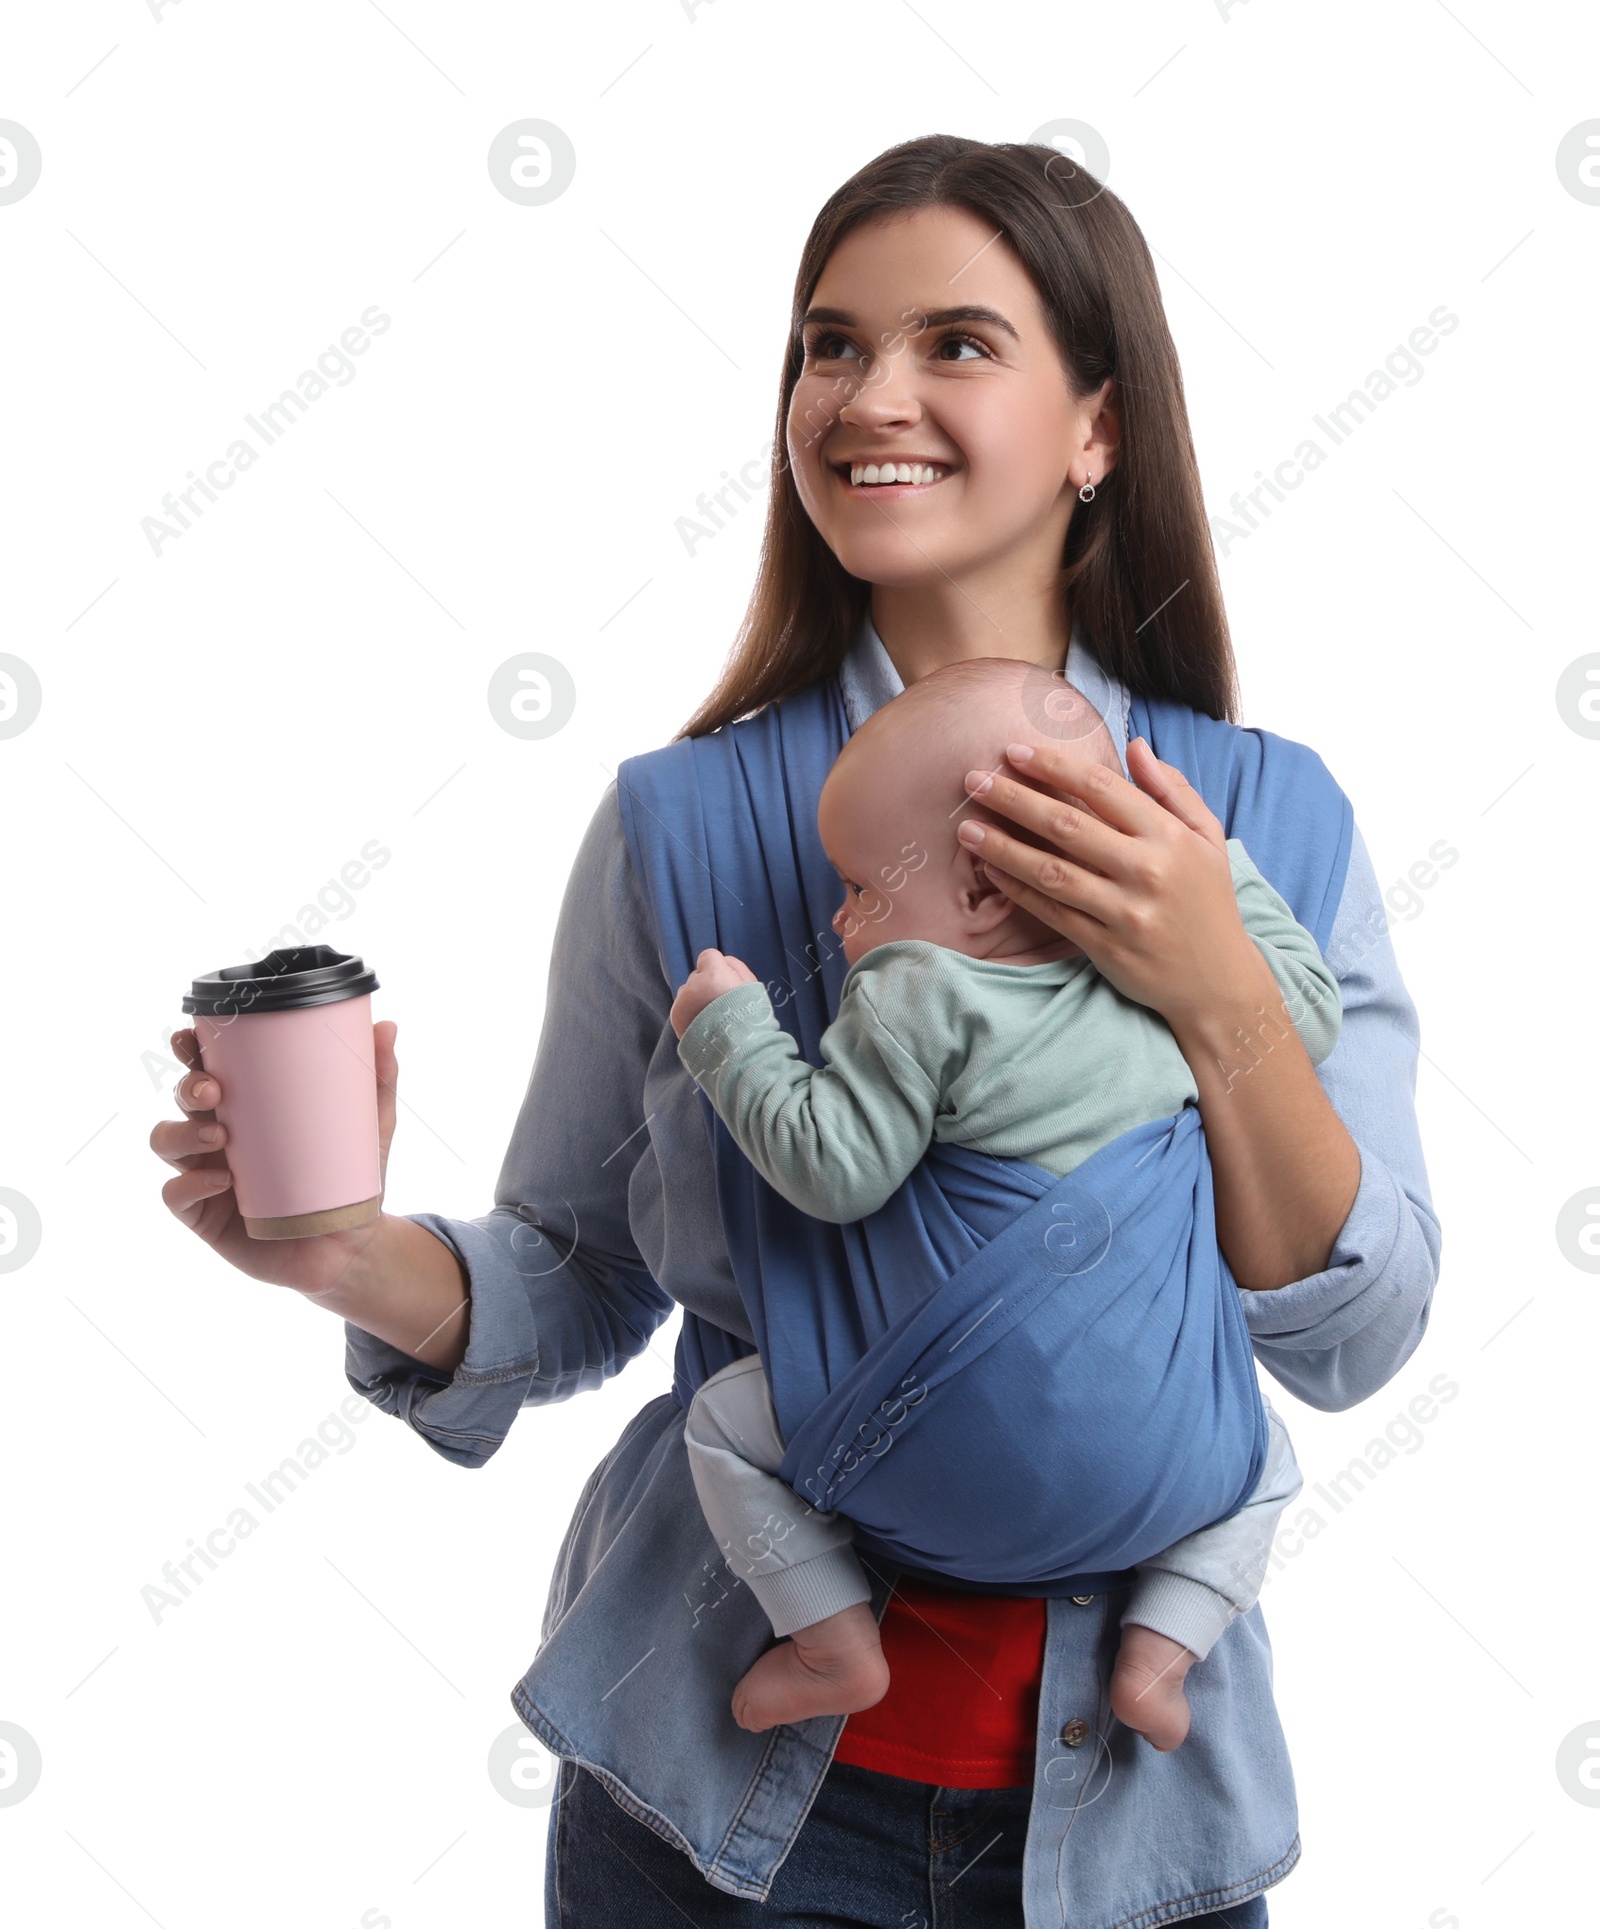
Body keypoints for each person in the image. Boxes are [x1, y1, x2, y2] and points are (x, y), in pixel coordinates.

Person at [151, 135, 1441, 1927]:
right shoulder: (683, 825)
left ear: (1101, 428)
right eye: (828, 346)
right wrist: (352, 1255)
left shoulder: (1266, 823)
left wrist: (1221, 988)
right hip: (705, 1807)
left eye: (956, 344)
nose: (867, 396)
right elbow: (582, 1275)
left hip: (1126, 1820)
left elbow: (1354, 1335)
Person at [670, 656, 1324, 1749]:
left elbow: (835, 1169)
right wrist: (1217, 881)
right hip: (1172, 1474)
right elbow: (1298, 1018)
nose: (839, 923)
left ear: (974, 892)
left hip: (931, 1465)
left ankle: (830, 1639)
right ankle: (1161, 1653)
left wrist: (730, 1036)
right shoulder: (1164, 991)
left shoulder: (916, 988)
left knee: (722, 1428)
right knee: (1267, 1459)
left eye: (859, 888)